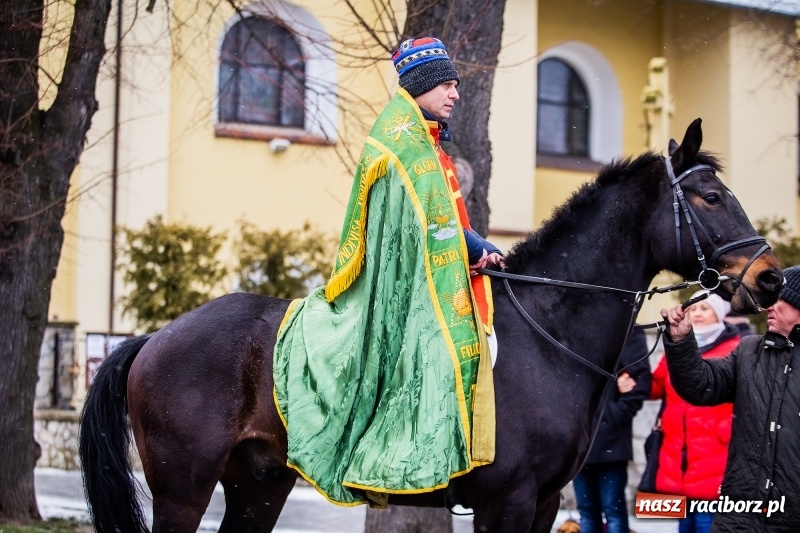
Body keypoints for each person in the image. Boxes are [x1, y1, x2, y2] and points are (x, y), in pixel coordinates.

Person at [272, 37, 503, 507]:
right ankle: (394, 458)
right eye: (444, 84)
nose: (454, 93)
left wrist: (477, 247)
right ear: (419, 84)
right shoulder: (402, 144)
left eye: (455, 84)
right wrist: (470, 248)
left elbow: (442, 221)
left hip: (432, 271)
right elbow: (423, 228)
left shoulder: (424, 137)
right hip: (398, 283)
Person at [660, 267, 800, 533]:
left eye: (779, 301)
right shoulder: (749, 350)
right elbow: (702, 386)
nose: (768, 308)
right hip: (739, 514)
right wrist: (680, 341)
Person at [651, 291, 739, 533]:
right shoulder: (674, 347)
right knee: (685, 524)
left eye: (705, 308)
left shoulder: (736, 349)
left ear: (718, 314)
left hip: (715, 451)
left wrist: (727, 429)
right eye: (694, 309)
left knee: (706, 522)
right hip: (679, 452)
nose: (698, 313)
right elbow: (654, 387)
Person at [572, 326, 652, 533]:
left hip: (611, 442)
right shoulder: (576, 326)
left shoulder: (628, 331)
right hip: (579, 441)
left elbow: (639, 385)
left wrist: (610, 417)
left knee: (613, 510)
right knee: (587, 511)